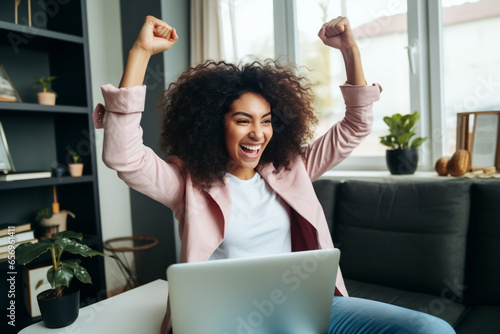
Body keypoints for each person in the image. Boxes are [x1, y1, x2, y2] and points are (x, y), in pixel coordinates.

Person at [94, 15, 455, 334]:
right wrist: (140, 53)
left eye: (266, 121)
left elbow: (355, 127)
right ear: (212, 126)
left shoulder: (291, 168)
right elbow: (124, 157)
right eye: (242, 121)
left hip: (301, 307)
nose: (258, 133)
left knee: (430, 327)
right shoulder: (186, 185)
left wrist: (350, 51)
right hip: (225, 319)